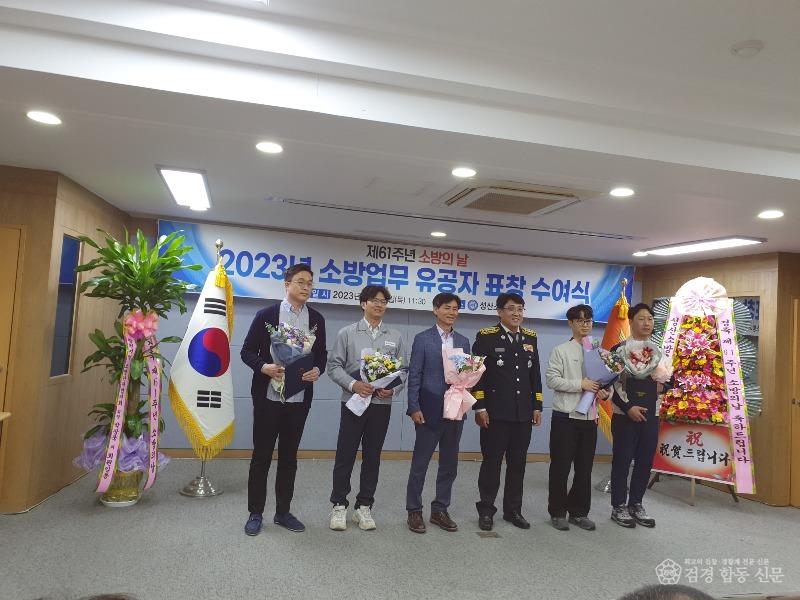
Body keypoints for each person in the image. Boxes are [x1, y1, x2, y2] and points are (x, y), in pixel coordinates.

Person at [240, 263, 327, 536]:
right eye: (301, 282)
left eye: (310, 283)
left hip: (298, 398)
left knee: (289, 457)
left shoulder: (316, 319)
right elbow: (246, 351)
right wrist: (264, 366)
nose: (306, 287)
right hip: (268, 396)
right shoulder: (267, 315)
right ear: (287, 284)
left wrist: (318, 370)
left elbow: (321, 354)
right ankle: (255, 512)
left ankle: (283, 512)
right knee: (262, 456)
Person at [327, 285, 407, 531]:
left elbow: (403, 371)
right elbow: (333, 366)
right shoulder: (347, 333)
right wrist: (354, 385)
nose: (379, 305)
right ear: (363, 304)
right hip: (353, 402)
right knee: (345, 454)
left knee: (373, 456)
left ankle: (364, 506)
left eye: (384, 301)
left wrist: (392, 390)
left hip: (381, 405)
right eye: (374, 300)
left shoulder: (395, 336)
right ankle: (339, 505)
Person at [472, 292, 543, 531]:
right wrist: (480, 406)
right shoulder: (486, 336)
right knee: (491, 463)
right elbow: (476, 375)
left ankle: (513, 510)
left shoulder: (530, 337)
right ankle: (486, 510)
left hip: (522, 413)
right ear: (499, 312)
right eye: (511, 309)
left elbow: (535, 375)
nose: (516, 313)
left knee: (518, 464)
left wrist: (537, 405)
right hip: (495, 413)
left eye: (520, 309)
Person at [404, 293, 471, 533]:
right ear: (435, 310)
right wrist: (414, 407)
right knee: (420, 464)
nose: (452, 312)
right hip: (428, 410)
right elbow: (415, 375)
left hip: (455, 411)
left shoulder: (463, 341)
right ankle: (414, 510)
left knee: (449, 464)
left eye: (455, 309)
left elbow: (466, 377)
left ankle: (440, 509)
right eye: (447, 308)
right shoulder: (422, 339)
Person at [545, 303, 610, 531]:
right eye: (580, 321)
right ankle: (557, 512)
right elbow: (552, 380)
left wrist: (605, 392)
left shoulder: (600, 351)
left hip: (590, 417)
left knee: (584, 468)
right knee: (561, 467)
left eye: (588, 321)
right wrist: (580, 384)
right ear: (571, 323)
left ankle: (579, 512)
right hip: (565, 416)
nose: (585, 325)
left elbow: (606, 383)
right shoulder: (561, 350)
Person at [610, 302, 660, 528]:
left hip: (651, 415)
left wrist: (664, 386)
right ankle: (619, 506)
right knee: (622, 461)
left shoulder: (659, 351)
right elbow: (611, 384)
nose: (646, 323)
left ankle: (636, 503)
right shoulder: (619, 350)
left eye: (650, 319)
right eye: (641, 318)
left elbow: (670, 379)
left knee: (644, 462)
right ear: (630, 321)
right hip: (624, 415)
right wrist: (628, 407)